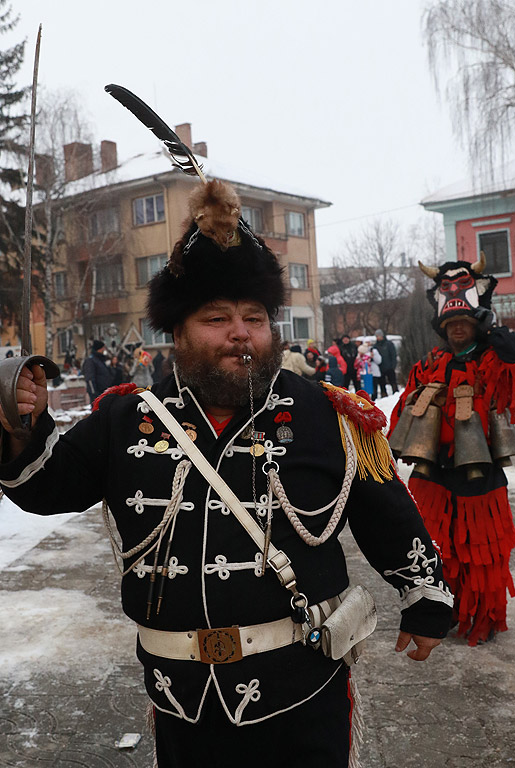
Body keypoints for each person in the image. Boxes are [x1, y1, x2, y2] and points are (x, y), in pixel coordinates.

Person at [0, 178, 452, 768]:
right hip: (180, 701)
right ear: (178, 333)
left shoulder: (325, 413)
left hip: (303, 693)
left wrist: (425, 596)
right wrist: (17, 428)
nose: (241, 332)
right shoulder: (125, 417)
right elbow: (42, 486)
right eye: (217, 317)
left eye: (255, 318)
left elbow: (385, 511)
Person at [388, 255, 515, 646]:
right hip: (433, 476)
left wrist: (492, 325)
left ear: (477, 321)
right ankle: (444, 609)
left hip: (482, 477)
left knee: (482, 552)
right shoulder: (429, 364)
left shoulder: (494, 358)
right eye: (451, 324)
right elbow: (403, 410)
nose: (458, 329)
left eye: (465, 321)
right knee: (438, 549)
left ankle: (484, 616)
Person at [373, 329, 398, 397]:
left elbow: (393, 355)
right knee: (382, 383)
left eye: (379, 336)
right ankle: (384, 394)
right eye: (377, 336)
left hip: (389, 367)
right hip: (380, 367)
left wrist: (393, 365)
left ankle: (395, 393)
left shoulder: (389, 344)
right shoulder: (375, 346)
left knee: (392, 381)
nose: (378, 337)